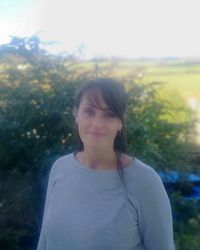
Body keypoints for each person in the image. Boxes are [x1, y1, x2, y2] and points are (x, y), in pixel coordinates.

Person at [37, 77, 175, 250]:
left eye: (109, 114)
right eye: (89, 111)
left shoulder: (145, 181)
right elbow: (44, 240)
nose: (97, 124)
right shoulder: (60, 168)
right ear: (76, 114)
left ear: (120, 123)